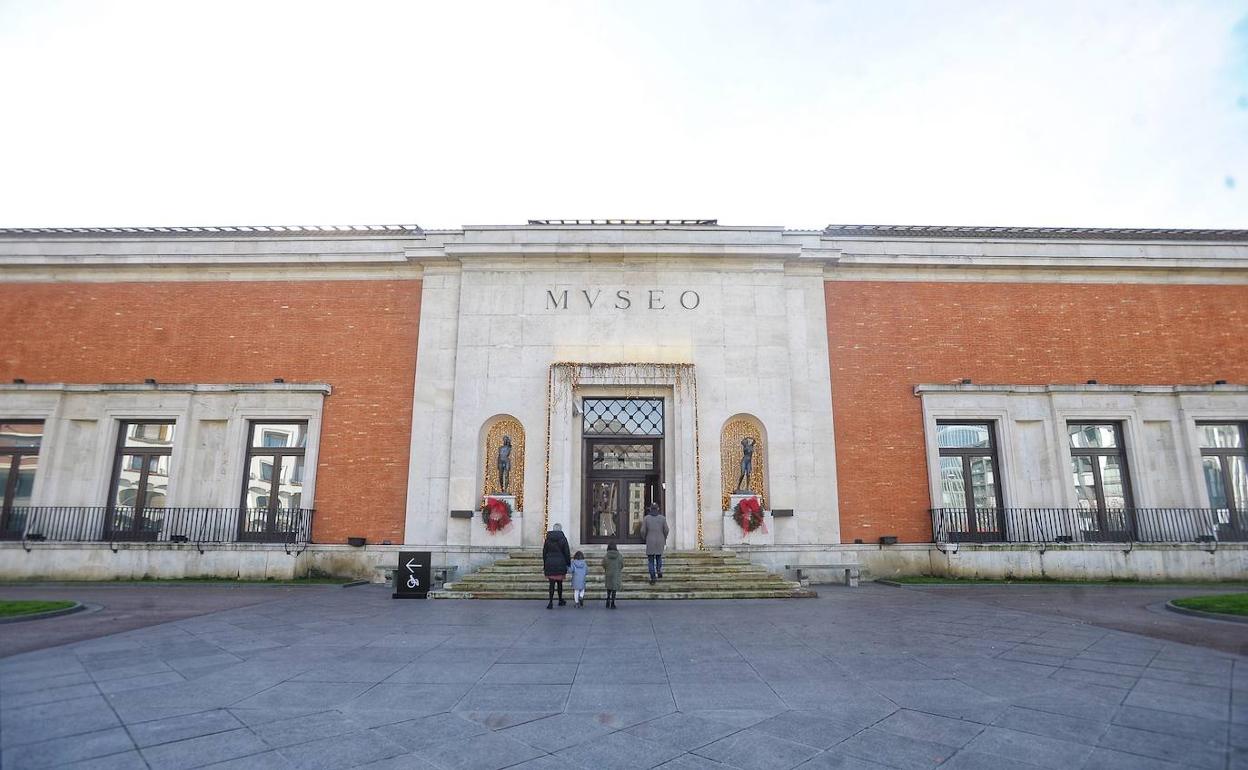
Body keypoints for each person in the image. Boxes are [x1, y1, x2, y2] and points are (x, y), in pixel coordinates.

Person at [542, 523, 571, 609]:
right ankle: (560, 599)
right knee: (559, 583)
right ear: (560, 529)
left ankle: (550, 602)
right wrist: (568, 563)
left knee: (551, 584)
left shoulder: (548, 539)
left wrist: (545, 563)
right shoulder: (563, 539)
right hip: (560, 562)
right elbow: (567, 552)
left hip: (550, 563)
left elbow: (544, 552)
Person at [639, 502, 669, 585]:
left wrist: (645, 537)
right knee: (659, 557)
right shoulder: (662, 518)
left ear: (650, 509)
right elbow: (666, 530)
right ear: (658, 509)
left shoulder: (646, 518)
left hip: (650, 540)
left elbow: (642, 531)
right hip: (660, 540)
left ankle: (653, 577)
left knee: (651, 560)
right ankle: (658, 569)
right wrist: (664, 537)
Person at [601, 542, 623, 608]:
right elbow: (622, 564)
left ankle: (608, 599)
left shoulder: (606, 556)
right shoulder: (619, 556)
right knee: (614, 589)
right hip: (616, 574)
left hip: (608, 573)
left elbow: (603, 564)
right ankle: (613, 603)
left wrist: (606, 569)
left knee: (609, 587)